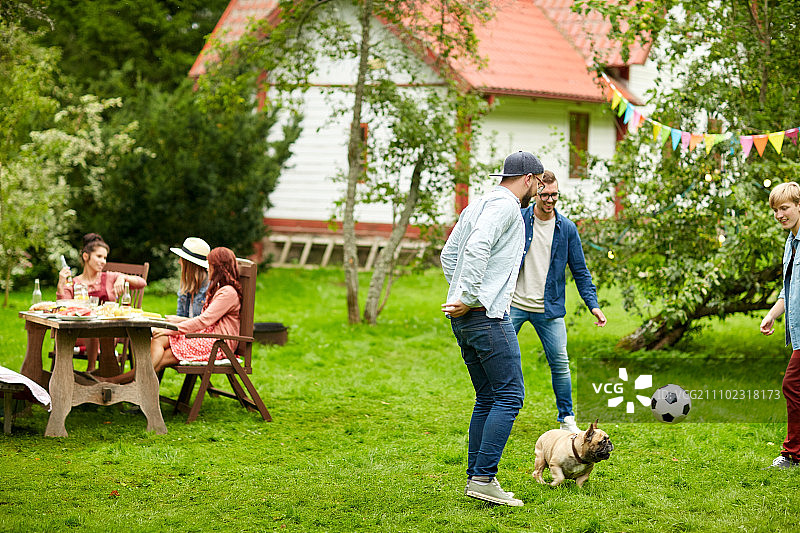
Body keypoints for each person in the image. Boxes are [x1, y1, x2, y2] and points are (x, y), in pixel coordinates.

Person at [441, 150, 544, 507]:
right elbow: (477, 247)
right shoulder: (505, 207)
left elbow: (449, 255)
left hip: (464, 318)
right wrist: (470, 296)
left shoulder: (477, 204)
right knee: (510, 395)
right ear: (529, 179)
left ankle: (477, 478)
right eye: (538, 183)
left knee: (487, 396)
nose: (538, 190)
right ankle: (484, 477)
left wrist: (459, 296)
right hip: (485, 316)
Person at [510, 171, 606, 434]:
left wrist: (593, 304)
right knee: (502, 358)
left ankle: (566, 416)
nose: (550, 200)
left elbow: (581, 271)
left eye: (554, 195)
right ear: (536, 193)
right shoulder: (520, 220)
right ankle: (501, 407)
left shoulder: (567, 229)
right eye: (544, 195)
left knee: (560, 363)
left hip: (548, 309)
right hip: (514, 304)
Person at [101, 247, 241, 385]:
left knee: (161, 359)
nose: (207, 269)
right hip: (207, 337)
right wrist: (172, 322)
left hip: (218, 344)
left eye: (210, 266)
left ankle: (119, 383)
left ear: (218, 268)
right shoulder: (219, 289)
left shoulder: (227, 293)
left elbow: (204, 320)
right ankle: (130, 387)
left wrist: (171, 329)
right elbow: (205, 319)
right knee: (159, 338)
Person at [56, 233, 147, 372]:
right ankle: (92, 370)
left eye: (105, 258)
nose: (103, 261)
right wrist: (61, 284)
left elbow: (142, 283)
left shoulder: (109, 277)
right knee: (90, 326)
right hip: (80, 334)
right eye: (99, 256)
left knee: (100, 330)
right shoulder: (75, 283)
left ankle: (97, 372)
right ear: (86, 257)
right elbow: (62, 306)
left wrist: (122, 277)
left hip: (109, 333)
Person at [760, 182, 800, 468]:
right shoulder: (791, 243)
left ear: (799, 206)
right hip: (797, 331)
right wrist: (772, 314)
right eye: (775, 210)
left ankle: (793, 454)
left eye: (785, 208)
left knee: (792, 385)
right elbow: (789, 291)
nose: (779, 214)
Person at [169, 237, 210, 318]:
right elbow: (179, 315)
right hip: (186, 329)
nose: (179, 262)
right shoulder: (185, 285)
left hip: (198, 330)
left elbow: (205, 322)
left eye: (181, 259)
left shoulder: (209, 288)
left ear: (189, 265)